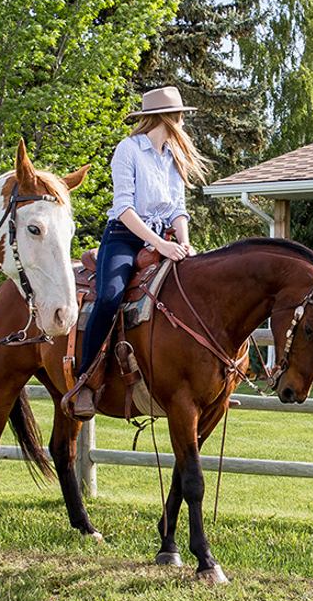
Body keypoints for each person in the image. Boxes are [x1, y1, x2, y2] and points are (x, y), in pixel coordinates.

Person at [62, 86, 208, 417]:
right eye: (181, 116)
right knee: (110, 297)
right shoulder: (128, 149)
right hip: (125, 236)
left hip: (165, 238)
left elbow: (178, 209)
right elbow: (124, 207)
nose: (183, 122)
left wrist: (183, 242)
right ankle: (85, 380)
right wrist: (160, 245)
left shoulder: (172, 156)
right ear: (168, 118)